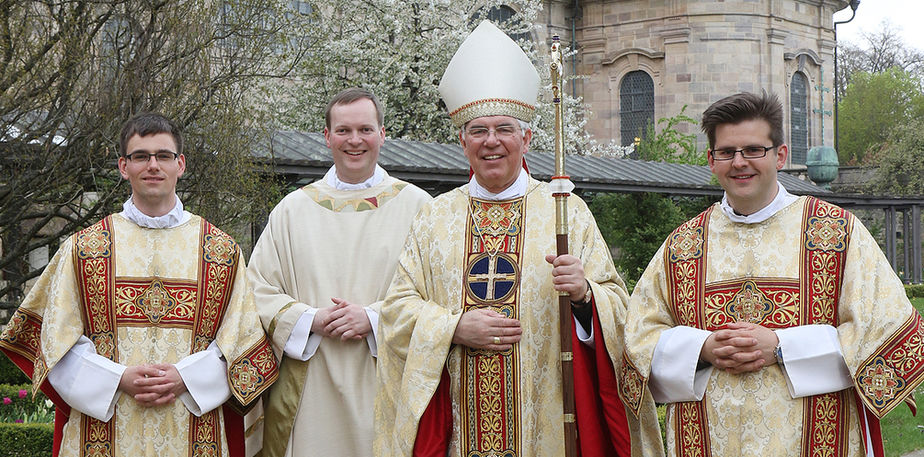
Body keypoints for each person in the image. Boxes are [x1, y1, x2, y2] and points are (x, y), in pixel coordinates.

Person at [374, 21, 662, 457]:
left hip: (545, 424)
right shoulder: (435, 217)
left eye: (504, 129)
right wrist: (453, 327)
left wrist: (585, 296)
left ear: (526, 138)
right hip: (457, 428)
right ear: (462, 141)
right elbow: (397, 310)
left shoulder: (566, 211)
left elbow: (621, 309)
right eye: (478, 130)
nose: (492, 141)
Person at [619, 92, 924, 456]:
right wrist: (703, 347)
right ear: (711, 161)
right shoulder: (683, 245)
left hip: (813, 440)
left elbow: (884, 326)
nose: (739, 163)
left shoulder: (834, 231)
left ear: (779, 155)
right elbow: (638, 340)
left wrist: (781, 348)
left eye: (753, 150)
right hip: (709, 440)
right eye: (726, 152)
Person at [0, 113, 278, 456]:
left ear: (181, 164)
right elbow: (56, 344)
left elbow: (241, 342)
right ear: (123, 166)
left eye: (163, 156)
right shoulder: (84, 249)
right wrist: (118, 379)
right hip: (105, 421)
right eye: (140, 156)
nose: (153, 166)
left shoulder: (221, 251)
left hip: (191, 422)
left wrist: (184, 378)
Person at [247, 87, 431, 457]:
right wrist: (310, 320)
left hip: (389, 378)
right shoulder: (292, 210)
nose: (355, 140)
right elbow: (255, 290)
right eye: (344, 131)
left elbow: (438, 297)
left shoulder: (419, 207)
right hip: (309, 384)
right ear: (327, 136)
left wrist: (374, 319)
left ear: (382, 133)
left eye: (365, 129)